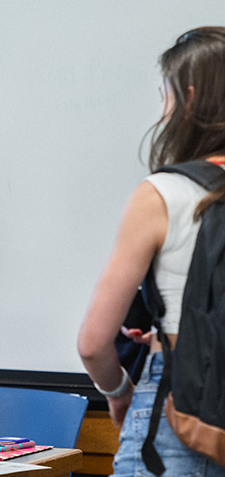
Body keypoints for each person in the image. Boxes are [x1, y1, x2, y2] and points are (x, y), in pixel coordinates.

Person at [78, 26, 225, 475]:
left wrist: (120, 391)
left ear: (190, 98)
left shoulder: (163, 193)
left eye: (166, 92)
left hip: (176, 413)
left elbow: (92, 343)